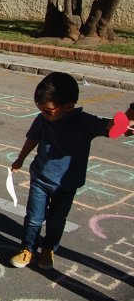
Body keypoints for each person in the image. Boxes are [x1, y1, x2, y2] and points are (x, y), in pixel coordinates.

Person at [10, 72, 113, 270]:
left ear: (69, 106)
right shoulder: (42, 119)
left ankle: (49, 248)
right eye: (40, 109)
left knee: (56, 221)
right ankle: (27, 248)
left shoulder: (84, 123)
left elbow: (109, 127)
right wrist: (20, 159)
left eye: (48, 110)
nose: (44, 114)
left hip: (67, 183)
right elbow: (32, 138)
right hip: (40, 178)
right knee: (33, 218)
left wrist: (126, 123)